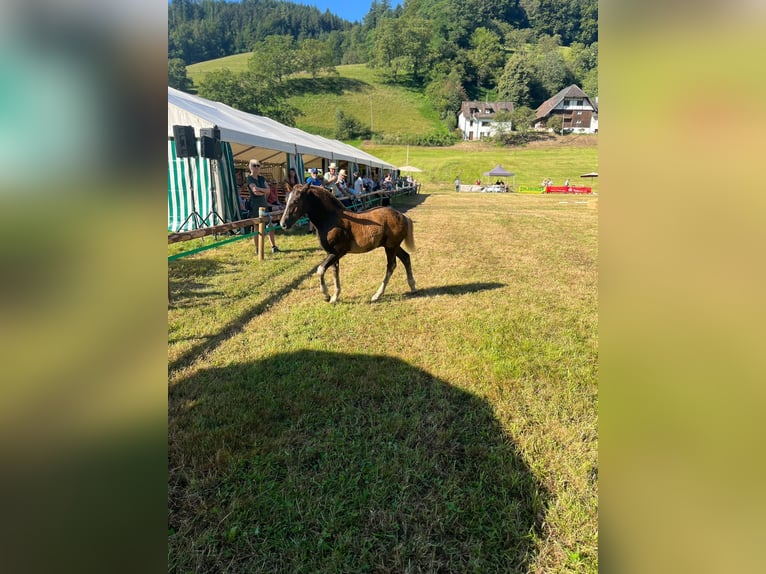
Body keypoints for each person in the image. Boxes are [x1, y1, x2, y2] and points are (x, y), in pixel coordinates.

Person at [246, 159, 279, 253]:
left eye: (258, 165)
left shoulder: (261, 178)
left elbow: (268, 190)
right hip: (255, 206)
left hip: (264, 205)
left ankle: (273, 246)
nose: (257, 167)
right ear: (250, 167)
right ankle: (258, 249)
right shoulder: (249, 178)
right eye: (254, 165)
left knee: (270, 226)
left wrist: (260, 190)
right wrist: (262, 190)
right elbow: (255, 191)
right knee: (257, 228)